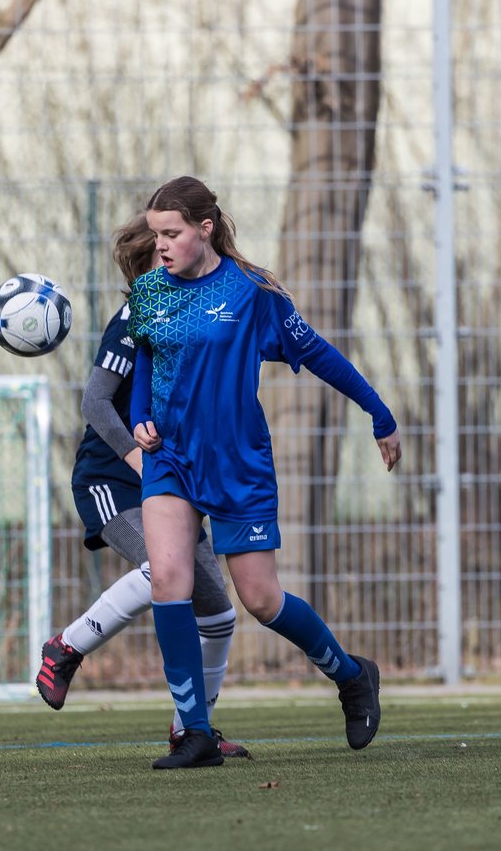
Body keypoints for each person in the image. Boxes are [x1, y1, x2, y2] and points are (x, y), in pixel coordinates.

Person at [127, 175, 402, 769]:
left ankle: (353, 677)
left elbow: (318, 352)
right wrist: (140, 417)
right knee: (168, 581)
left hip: (237, 465)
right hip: (170, 459)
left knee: (260, 599)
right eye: (155, 236)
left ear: (205, 229)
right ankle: (194, 732)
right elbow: (147, 357)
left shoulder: (253, 292)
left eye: (172, 234)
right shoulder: (149, 291)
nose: (162, 246)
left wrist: (379, 413)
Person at [35, 214, 250, 759]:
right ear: (148, 263)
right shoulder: (135, 316)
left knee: (220, 616)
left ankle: (192, 728)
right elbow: (94, 403)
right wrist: (137, 459)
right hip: (112, 479)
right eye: (163, 249)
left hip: (173, 482)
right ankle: (65, 648)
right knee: (164, 570)